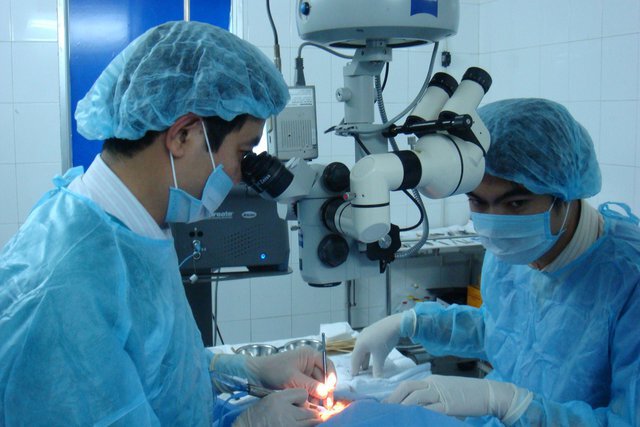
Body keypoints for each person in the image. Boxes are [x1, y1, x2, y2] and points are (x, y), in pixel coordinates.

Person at [0, 21, 336, 427]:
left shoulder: (129, 230)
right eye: (243, 153)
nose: (239, 176)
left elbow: (158, 369)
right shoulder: (66, 288)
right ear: (183, 136)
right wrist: (248, 424)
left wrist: (252, 369)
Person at [350, 98, 640, 426]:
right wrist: (412, 323)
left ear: (567, 195)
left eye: (515, 203)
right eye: (477, 202)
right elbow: (501, 329)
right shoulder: (513, 253)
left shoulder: (628, 281)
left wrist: (507, 402)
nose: (495, 222)